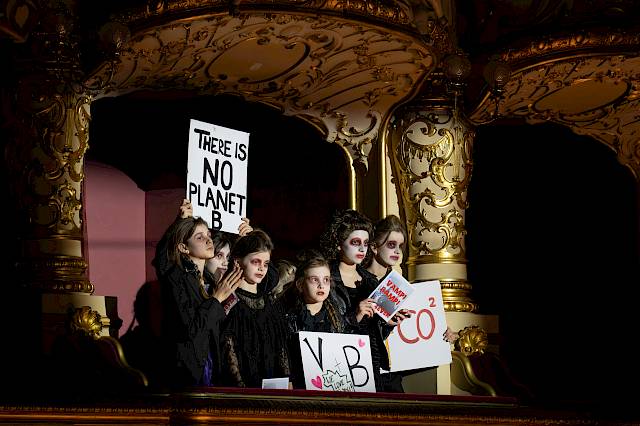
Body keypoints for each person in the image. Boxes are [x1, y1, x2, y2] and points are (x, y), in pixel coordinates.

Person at [152, 200, 243, 388]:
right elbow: (191, 329)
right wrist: (217, 299)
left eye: (208, 235)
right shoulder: (177, 277)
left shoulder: (210, 281)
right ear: (184, 247)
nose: (209, 240)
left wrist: (246, 239)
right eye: (200, 237)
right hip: (186, 374)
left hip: (211, 370)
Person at [318, 209, 409, 392]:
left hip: (371, 365)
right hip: (339, 365)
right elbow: (318, 326)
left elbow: (376, 334)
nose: (362, 249)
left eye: (366, 243)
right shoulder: (325, 279)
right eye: (355, 242)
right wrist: (355, 316)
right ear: (339, 244)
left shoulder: (371, 281)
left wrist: (387, 323)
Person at [220, 229, 291, 388]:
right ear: (238, 262)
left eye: (265, 264)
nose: (261, 268)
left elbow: (281, 348)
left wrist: (287, 381)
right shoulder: (230, 303)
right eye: (255, 262)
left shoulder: (271, 304)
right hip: (243, 392)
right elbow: (228, 351)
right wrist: (241, 389)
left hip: (274, 389)